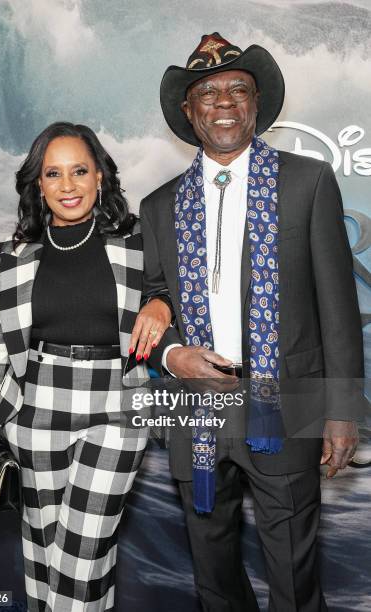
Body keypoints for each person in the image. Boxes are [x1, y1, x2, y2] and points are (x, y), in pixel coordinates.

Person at [141, 33, 364, 611]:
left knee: (293, 574)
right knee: (213, 578)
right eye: (207, 93)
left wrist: (340, 411)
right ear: (188, 113)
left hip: (284, 406)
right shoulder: (159, 206)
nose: (224, 102)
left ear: (257, 104)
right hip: (197, 411)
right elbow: (152, 298)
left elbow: (339, 305)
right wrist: (170, 353)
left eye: (238, 89)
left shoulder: (307, 182)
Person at [0, 121, 172, 612]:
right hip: (34, 412)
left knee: (81, 559)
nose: (68, 185)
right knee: (44, 557)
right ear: (39, 184)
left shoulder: (138, 243)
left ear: (100, 175)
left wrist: (161, 305)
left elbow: (175, 294)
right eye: (53, 174)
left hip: (116, 411)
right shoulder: (11, 259)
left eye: (79, 170)